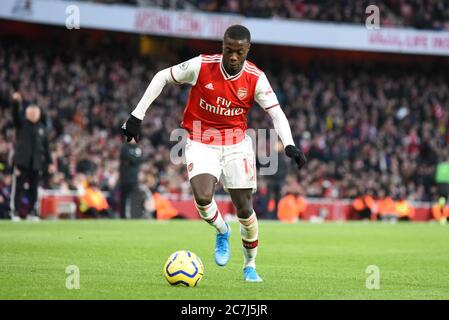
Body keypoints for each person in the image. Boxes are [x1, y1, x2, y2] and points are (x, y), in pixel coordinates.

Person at [121, 25, 307, 282]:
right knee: (203, 196)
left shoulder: (255, 78)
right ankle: (222, 230)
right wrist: (136, 116)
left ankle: (249, 265)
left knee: (244, 209)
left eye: (238, 52)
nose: (232, 56)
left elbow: (276, 113)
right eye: (228, 50)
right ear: (222, 46)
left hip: (237, 145)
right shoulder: (201, 65)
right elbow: (162, 76)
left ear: (247, 50)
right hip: (200, 140)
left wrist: (289, 143)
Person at [9, 92, 52, 221]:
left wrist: (49, 162)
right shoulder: (21, 124)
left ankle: (32, 212)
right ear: (27, 113)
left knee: (34, 189)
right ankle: (15, 212)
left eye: (36, 112)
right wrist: (16, 102)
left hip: (36, 163)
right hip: (22, 162)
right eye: (31, 111)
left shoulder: (42, 128)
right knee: (18, 188)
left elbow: (46, 147)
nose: (34, 114)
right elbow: (15, 114)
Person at [119, 140, 143, 219]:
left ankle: (134, 215)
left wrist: (133, 159)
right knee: (124, 197)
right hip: (126, 177)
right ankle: (123, 216)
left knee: (134, 197)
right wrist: (135, 159)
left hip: (134, 178)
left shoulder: (137, 149)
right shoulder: (125, 148)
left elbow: (140, 159)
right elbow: (129, 158)